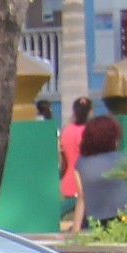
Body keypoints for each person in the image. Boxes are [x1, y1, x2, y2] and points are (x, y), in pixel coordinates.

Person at [77, 103, 127, 227]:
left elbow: (82, 198)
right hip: (125, 219)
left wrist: (75, 230)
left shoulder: (81, 163)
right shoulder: (125, 160)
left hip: (95, 222)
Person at [57, 95, 92, 234]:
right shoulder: (88, 132)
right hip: (83, 182)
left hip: (67, 181)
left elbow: (63, 158)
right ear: (89, 112)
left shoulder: (66, 130)